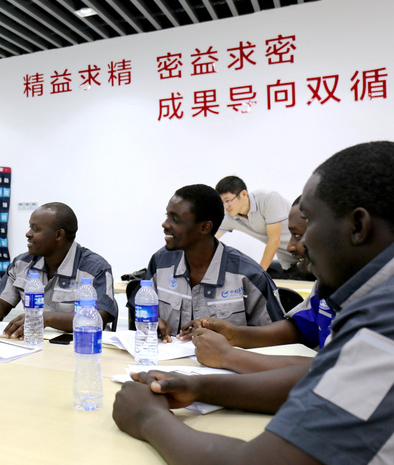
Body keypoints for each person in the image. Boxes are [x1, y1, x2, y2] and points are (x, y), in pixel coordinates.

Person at [113, 141, 394, 465]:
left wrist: (149, 418)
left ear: (357, 226)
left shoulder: (382, 318)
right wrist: (198, 387)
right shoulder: (359, 298)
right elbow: (321, 374)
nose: (297, 245)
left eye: (309, 222)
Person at [178, 196, 333, 374]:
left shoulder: (359, 300)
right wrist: (234, 335)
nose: (290, 247)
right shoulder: (325, 285)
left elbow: (333, 370)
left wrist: (227, 356)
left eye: (298, 236)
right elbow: (300, 329)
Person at [146, 184, 284, 341]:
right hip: (168, 357)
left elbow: (279, 336)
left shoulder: (249, 275)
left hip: (228, 357)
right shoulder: (160, 262)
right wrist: (152, 320)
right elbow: (139, 307)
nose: (165, 224)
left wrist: (232, 338)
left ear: (205, 227)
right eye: (167, 216)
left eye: (176, 219)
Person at [0, 202, 116, 338]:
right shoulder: (21, 264)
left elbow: (99, 318)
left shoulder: (95, 268)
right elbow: (0, 302)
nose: (28, 234)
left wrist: (46, 318)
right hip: (35, 343)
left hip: (83, 345)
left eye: (36, 229)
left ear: (59, 235)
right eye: (30, 228)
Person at [215, 175, 298, 274]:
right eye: (222, 202)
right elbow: (208, 239)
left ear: (244, 194)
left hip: (309, 252)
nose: (225, 206)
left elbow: (274, 240)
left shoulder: (268, 199)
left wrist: (259, 274)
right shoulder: (228, 216)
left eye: (228, 201)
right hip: (289, 262)